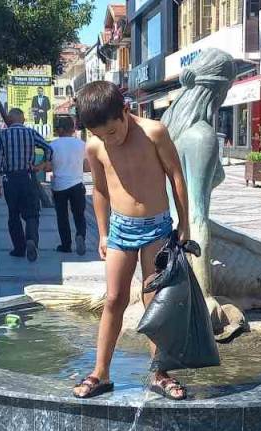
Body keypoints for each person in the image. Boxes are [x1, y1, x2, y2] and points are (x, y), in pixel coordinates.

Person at [70, 80, 191, 401]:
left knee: (154, 300)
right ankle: (101, 373)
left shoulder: (154, 132)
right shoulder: (95, 147)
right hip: (121, 229)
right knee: (113, 299)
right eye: (99, 135)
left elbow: (176, 176)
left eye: (111, 132)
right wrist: (104, 232)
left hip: (157, 226)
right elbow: (98, 189)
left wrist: (185, 224)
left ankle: (160, 371)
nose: (108, 139)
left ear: (125, 111)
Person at [0, 108, 53, 262]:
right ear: (22, 119)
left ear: (10, 119)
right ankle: (31, 239)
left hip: (10, 179)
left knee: (13, 215)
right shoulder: (31, 133)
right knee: (32, 213)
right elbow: (49, 148)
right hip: (28, 177)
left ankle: (19, 249)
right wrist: (41, 165)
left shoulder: (3, 135)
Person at [48, 117, 88, 255]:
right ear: (72, 129)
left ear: (60, 129)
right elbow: (87, 166)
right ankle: (80, 235)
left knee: (62, 216)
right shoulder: (82, 144)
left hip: (59, 186)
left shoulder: (53, 145)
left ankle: (66, 245)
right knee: (79, 215)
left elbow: (47, 167)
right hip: (77, 184)